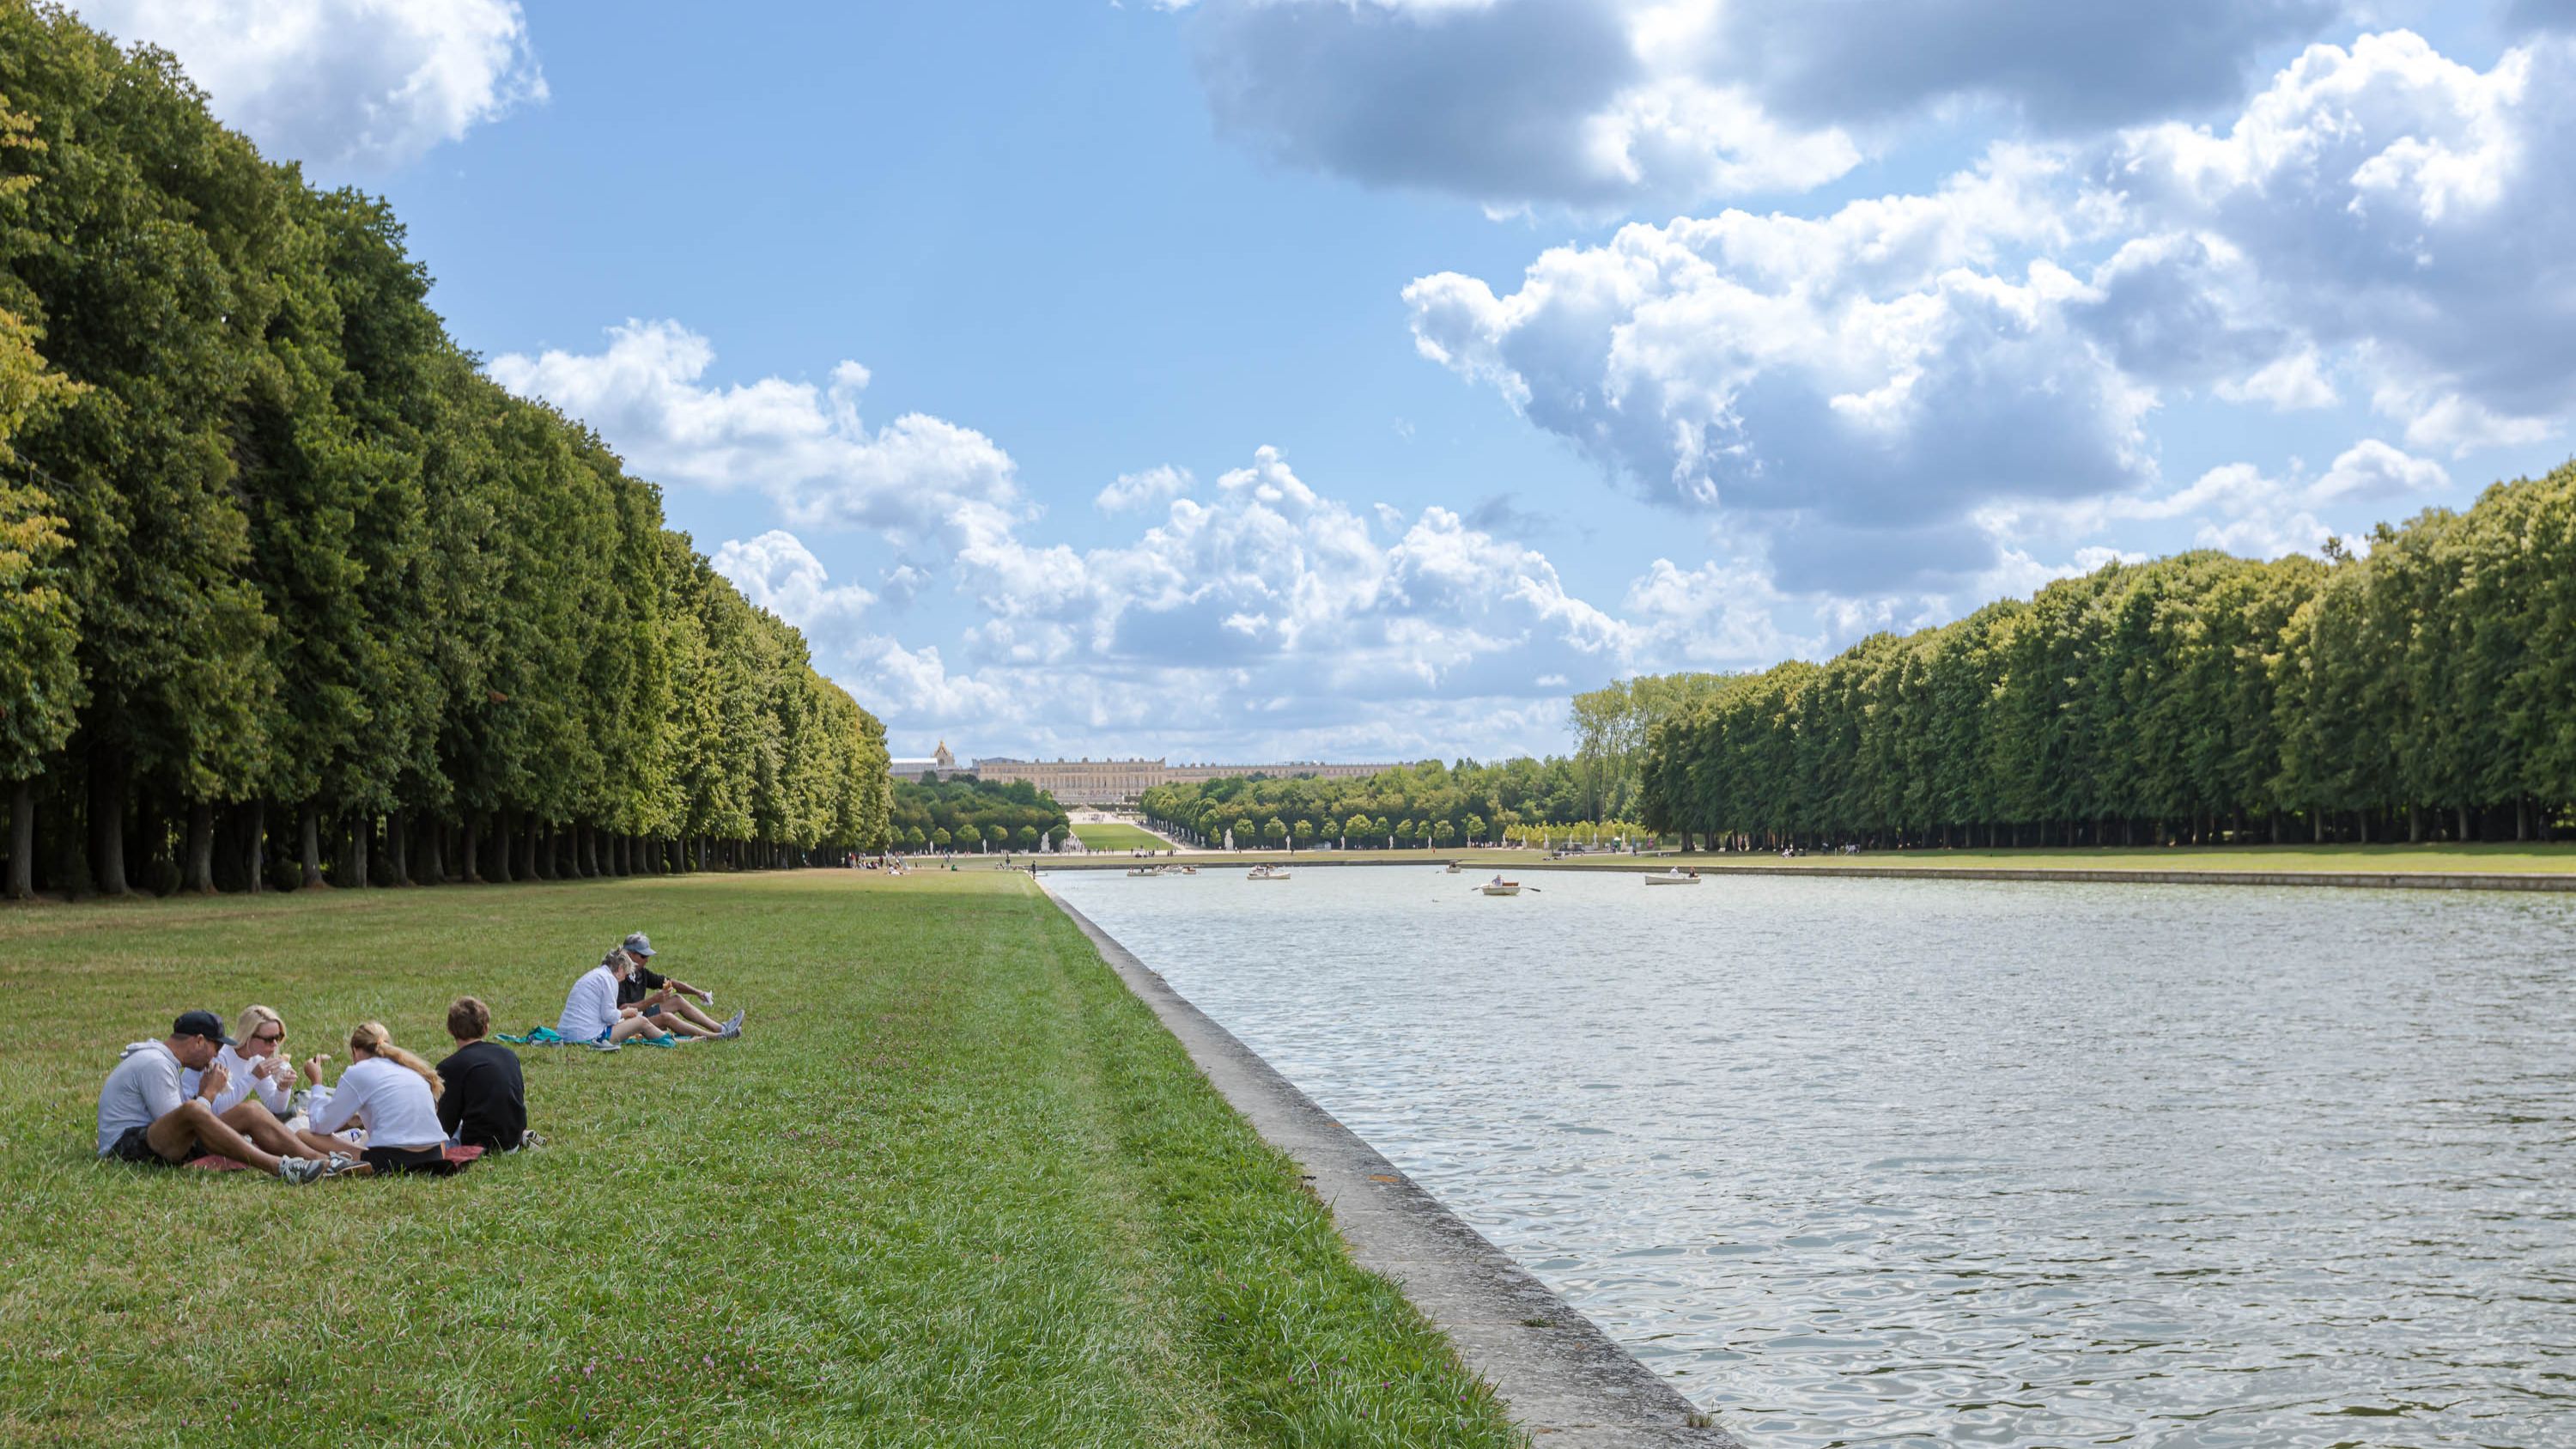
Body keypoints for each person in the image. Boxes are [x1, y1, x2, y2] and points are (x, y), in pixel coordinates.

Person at [95, 1010, 332, 1184]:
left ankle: (324, 1161)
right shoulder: (155, 1064)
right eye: (215, 1049)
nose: (215, 1058)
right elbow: (182, 1122)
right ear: (199, 1041)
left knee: (251, 1109)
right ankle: (280, 1166)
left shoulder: (164, 1061)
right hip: (123, 1148)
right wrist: (207, 1094)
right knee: (194, 1110)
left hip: (154, 1141)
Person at [298, 1022, 450, 1175]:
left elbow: (320, 1126)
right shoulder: (411, 1069)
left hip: (392, 1160)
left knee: (303, 1135)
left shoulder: (358, 1072)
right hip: (435, 1156)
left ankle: (346, 1162)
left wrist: (316, 1083)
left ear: (355, 1051)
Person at [434, 997, 526, 1152]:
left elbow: (445, 1124)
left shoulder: (449, 1066)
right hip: (512, 1141)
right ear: (486, 1028)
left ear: (450, 1030)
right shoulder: (508, 1055)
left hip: (476, 1145)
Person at [617, 933, 741, 1039]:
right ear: (629, 954)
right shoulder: (618, 975)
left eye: (648, 956)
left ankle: (721, 1028)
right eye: (643, 956)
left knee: (677, 1000)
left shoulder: (640, 971)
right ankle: (715, 1037)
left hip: (640, 1015)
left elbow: (670, 982)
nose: (647, 959)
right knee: (667, 1018)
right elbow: (622, 1009)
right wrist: (653, 1000)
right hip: (627, 1023)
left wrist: (698, 992)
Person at [559, 947, 674, 1047]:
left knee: (635, 1023)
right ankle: (672, 1040)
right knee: (642, 1022)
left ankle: (668, 1037)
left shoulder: (594, 975)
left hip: (566, 1035)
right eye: (625, 974)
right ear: (620, 969)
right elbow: (609, 1016)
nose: (623, 979)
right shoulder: (609, 979)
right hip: (586, 1037)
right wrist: (626, 1012)